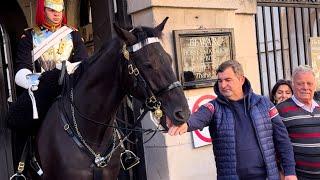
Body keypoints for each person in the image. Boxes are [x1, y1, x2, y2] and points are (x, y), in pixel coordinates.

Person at [168, 60, 297, 180]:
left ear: (241, 79)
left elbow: (283, 140)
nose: (223, 85)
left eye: (228, 80)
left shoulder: (264, 103)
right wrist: (186, 123)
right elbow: (198, 117)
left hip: (267, 176)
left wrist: (290, 171)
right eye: (220, 81)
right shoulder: (214, 107)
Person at [8, 0, 88, 132]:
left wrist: (69, 68)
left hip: (69, 89)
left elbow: (84, 64)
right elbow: (22, 70)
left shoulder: (73, 34)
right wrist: (38, 82)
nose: (57, 14)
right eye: (52, 10)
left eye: (59, 10)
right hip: (42, 90)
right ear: (43, 10)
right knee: (20, 122)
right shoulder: (29, 36)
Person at [276, 65, 320, 179]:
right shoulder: (281, 110)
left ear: (315, 85)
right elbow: (275, 145)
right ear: (293, 85)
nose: (305, 87)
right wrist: (283, 173)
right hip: (299, 176)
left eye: (309, 83)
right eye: (300, 83)